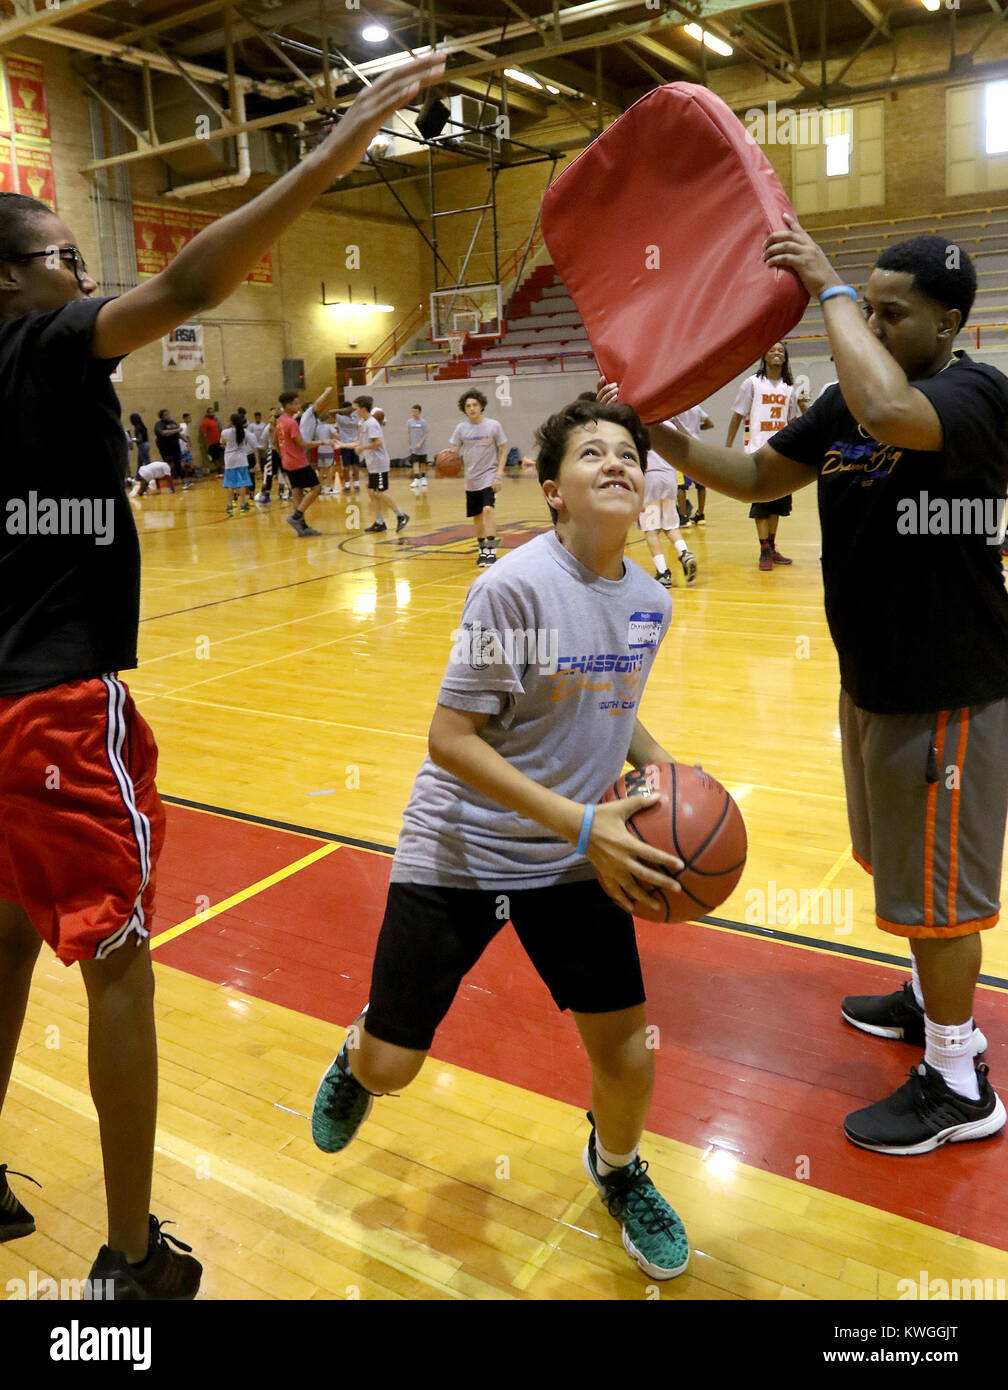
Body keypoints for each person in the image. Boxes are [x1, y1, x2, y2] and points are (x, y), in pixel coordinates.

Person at [0, 47, 446, 1293]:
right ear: (10, 280)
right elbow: (194, 279)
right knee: (116, 960)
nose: (81, 276)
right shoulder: (42, 348)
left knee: (2, 941)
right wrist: (342, 137)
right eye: (60, 257)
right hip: (53, 705)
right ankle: (130, 1261)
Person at [640, 225, 1008, 1156]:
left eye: (895, 313)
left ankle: (960, 1081)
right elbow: (761, 474)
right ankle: (927, 1004)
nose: (874, 326)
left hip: (949, 690)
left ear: (948, 323)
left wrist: (834, 293)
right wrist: (666, 439)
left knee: (941, 897)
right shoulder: (851, 399)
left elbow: (893, 416)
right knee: (898, 871)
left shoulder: (974, 394)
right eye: (868, 309)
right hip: (873, 684)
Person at [311, 395, 692, 1282]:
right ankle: (361, 1054)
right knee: (397, 1067)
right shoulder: (513, 586)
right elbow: (450, 741)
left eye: (628, 453)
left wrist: (668, 771)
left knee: (628, 1054)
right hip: (463, 848)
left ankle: (618, 1168)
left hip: (570, 858)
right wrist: (583, 822)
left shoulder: (648, 600)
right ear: (552, 490)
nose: (616, 462)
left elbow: (614, 700)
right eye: (591, 452)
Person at [725, 342, 807, 571]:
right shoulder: (752, 383)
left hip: (782, 452)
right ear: (764, 355)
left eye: (781, 350)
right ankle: (763, 550)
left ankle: (771, 546)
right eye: (772, 349)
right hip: (758, 451)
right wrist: (728, 446)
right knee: (761, 503)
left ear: (785, 356)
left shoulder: (790, 388)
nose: (777, 352)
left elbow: (792, 421)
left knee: (778, 503)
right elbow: (737, 416)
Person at [449, 388, 508, 567]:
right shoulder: (461, 428)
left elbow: (503, 450)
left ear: (481, 406)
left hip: (489, 476)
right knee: (477, 517)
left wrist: (498, 476)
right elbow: (454, 451)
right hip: (471, 479)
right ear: (464, 409)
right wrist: (447, 457)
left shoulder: (493, 425)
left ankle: (491, 550)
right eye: (468, 406)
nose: (472, 408)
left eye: (475, 405)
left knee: (488, 510)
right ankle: (482, 550)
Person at [639, 448, 697, 586]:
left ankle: (662, 572)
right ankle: (684, 552)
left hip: (651, 477)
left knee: (651, 529)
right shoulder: (670, 425)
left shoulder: (639, 429)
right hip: (670, 478)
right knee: (670, 525)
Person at [355, 394, 408, 534]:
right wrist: (341, 444)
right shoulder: (365, 423)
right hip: (373, 464)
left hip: (379, 463)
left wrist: (362, 448)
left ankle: (401, 515)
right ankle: (379, 522)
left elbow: (376, 442)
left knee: (379, 492)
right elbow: (361, 443)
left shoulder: (372, 423)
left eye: (356, 408)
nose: (355, 411)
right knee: (372, 493)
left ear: (363, 409)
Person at [274, 390, 322, 537]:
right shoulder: (291, 422)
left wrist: (284, 454)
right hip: (298, 462)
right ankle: (296, 517)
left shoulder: (280, 421)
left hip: (287, 462)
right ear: (287, 405)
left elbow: (275, 442)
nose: (298, 405)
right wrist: (323, 442)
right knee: (316, 488)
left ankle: (302, 527)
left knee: (297, 493)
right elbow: (303, 443)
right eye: (294, 403)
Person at [668, 406, 713, 524]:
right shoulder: (697, 407)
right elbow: (710, 424)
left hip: (683, 448)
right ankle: (700, 514)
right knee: (701, 484)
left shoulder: (675, 409)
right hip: (699, 446)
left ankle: (683, 517)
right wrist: (697, 429)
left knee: (681, 485)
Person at [221, 412, 252, 515]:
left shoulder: (225, 432)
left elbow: (222, 444)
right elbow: (246, 443)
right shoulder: (245, 432)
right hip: (242, 459)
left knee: (230, 484)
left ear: (231, 422)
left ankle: (229, 506)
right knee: (242, 483)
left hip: (230, 459)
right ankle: (243, 504)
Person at [335, 404, 362, 493]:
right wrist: (350, 409)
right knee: (355, 465)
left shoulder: (339, 418)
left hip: (345, 445)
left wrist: (342, 410)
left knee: (346, 466)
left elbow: (330, 412)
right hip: (354, 444)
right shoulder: (355, 417)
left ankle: (347, 486)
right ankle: (356, 484)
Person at [153, 407, 182, 485]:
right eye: (165, 415)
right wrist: (177, 430)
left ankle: (181, 480)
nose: (168, 416)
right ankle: (170, 481)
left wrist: (186, 441)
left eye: (168, 414)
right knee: (169, 464)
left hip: (175, 446)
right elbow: (163, 433)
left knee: (178, 463)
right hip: (165, 448)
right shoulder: (159, 424)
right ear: (161, 416)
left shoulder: (172, 422)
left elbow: (178, 433)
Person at [407, 404, 429, 489]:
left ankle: (423, 478)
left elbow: (425, 434)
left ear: (419, 412)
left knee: (422, 463)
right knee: (415, 463)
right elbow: (408, 434)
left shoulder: (423, 422)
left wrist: (420, 443)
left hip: (422, 447)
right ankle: (416, 479)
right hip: (413, 447)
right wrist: (409, 445)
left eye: (415, 411)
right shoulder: (409, 422)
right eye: (412, 411)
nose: (413, 413)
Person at [199, 407, 223, 474]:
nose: (213, 413)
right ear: (208, 413)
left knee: (219, 457)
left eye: (213, 412)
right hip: (211, 443)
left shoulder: (215, 420)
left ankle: (219, 469)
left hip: (218, 442)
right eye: (211, 412)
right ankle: (220, 470)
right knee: (214, 458)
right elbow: (204, 434)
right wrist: (207, 444)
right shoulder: (205, 421)